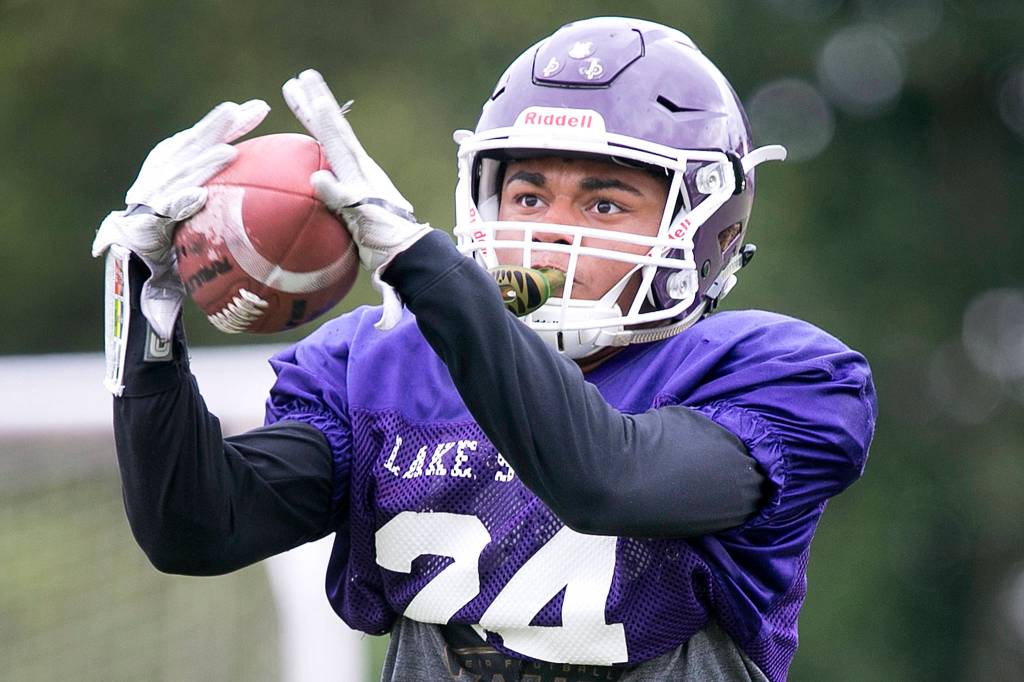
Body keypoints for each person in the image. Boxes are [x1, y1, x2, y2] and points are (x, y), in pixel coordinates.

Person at [92, 17, 876, 682]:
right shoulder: (383, 362)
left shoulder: (785, 376)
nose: (548, 231)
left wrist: (426, 268)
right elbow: (196, 529)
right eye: (528, 194)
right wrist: (145, 317)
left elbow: (607, 480)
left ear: (710, 231)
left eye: (604, 201)